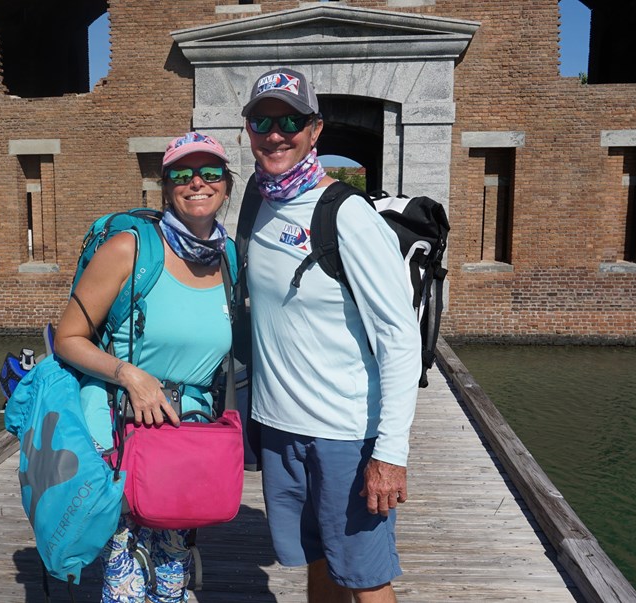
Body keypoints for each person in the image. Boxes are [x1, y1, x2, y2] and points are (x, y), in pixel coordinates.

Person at [238, 67, 421, 603]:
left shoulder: (348, 215)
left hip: (345, 434)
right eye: (262, 120)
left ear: (314, 130)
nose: (275, 133)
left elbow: (399, 338)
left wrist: (389, 452)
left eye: (290, 120)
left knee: (366, 579)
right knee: (318, 561)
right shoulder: (256, 198)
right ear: (247, 128)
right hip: (279, 428)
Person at [53, 132, 235, 602]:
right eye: (181, 174)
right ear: (165, 186)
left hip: (187, 436)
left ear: (227, 186)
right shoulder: (130, 249)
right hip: (121, 434)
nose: (197, 182)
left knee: (172, 574)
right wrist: (130, 376)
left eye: (210, 172)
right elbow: (68, 339)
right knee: (127, 579)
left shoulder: (230, 257)